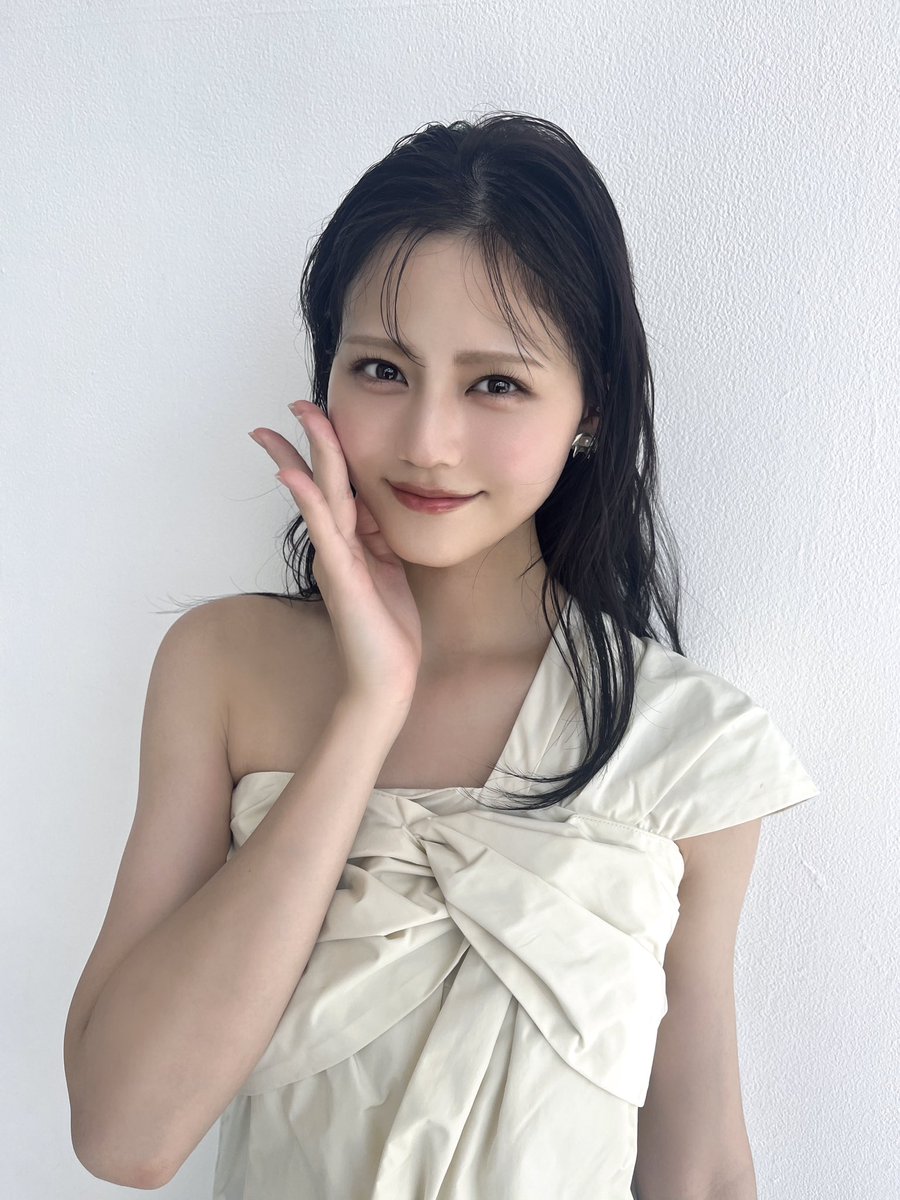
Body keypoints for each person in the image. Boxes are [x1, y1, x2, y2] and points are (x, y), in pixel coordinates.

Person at [63, 113, 820, 1199]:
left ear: (592, 406)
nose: (427, 441)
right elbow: (125, 1135)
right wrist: (368, 707)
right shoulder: (224, 670)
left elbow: (695, 1168)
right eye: (381, 368)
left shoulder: (689, 742)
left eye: (495, 383)